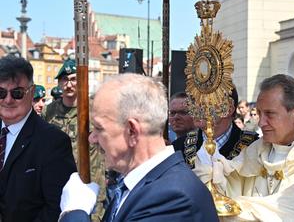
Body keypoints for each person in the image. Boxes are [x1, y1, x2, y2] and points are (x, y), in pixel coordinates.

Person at [59, 73, 219, 222]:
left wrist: (74, 211)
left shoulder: (172, 197)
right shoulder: (139, 185)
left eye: (99, 128)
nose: (92, 138)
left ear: (132, 131)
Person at [193, 74, 294, 221]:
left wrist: (234, 207)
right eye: (260, 113)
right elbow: (231, 185)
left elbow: (286, 212)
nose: (261, 123)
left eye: (270, 114)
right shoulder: (256, 150)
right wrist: (212, 169)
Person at [0, 55, 76, 222]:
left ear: (31, 92)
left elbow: (56, 208)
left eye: (17, 93)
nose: (8, 100)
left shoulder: (53, 142)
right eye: (1, 92)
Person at [42, 59, 106, 221]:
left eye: (73, 79)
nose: (69, 84)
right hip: (58, 184)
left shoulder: (96, 110)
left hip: (91, 183)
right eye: (64, 80)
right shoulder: (49, 112)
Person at [172, 87, 259, 168]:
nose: (196, 109)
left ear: (228, 109)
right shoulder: (179, 147)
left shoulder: (254, 147)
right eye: (194, 102)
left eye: (205, 103)